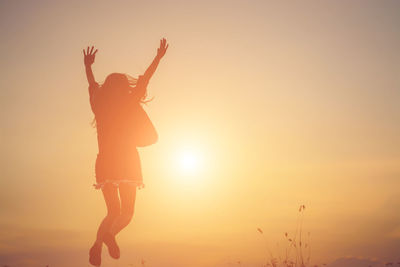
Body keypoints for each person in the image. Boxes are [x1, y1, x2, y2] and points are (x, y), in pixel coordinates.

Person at [83, 38, 168, 266]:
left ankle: (98, 246)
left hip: (105, 162)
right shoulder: (130, 101)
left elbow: (92, 85)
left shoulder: (99, 103)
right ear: (123, 86)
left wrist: (88, 66)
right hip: (128, 161)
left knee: (112, 212)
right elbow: (146, 78)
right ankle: (106, 238)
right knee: (127, 213)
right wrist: (158, 58)